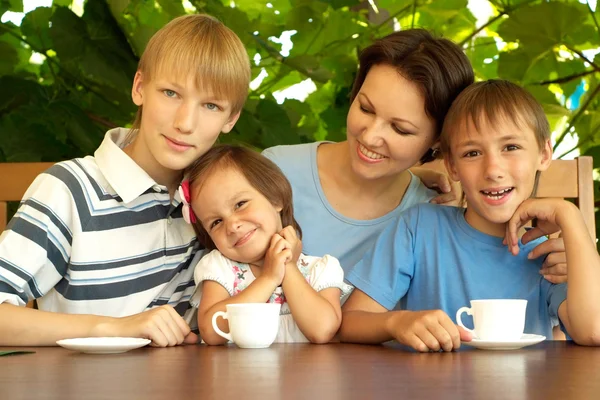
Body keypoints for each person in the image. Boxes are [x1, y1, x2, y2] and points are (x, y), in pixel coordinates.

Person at [0, 14, 251, 347]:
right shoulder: (69, 190)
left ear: (230, 118)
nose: (185, 123)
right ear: (139, 88)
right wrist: (113, 328)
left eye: (210, 105)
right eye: (171, 93)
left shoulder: (217, 202)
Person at [263, 29, 567, 283]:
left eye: (400, 129)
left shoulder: (433, 210)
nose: (370, 136)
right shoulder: (275, 172)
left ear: (439, 141)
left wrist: (570, 254)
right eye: (366, 108)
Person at [339, 80, 600, 352]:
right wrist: (396, 323)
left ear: (544, 154)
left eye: (510, 147)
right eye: (472, 153)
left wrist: (570, 216)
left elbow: (593, 331)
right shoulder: (419, 228)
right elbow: (350, 322)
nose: (493, 169)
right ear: (452, 166)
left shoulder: (549, 260)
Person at [183, 145, 351, 344]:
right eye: (216, 222)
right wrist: (269, 278)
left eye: (240, 204)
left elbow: (322, 330)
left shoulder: (320, 270)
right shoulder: (221, 269)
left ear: (275, 198)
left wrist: (287, 266)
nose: (233, 226)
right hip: (237, 375)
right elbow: (212, 332)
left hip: (305, 375)